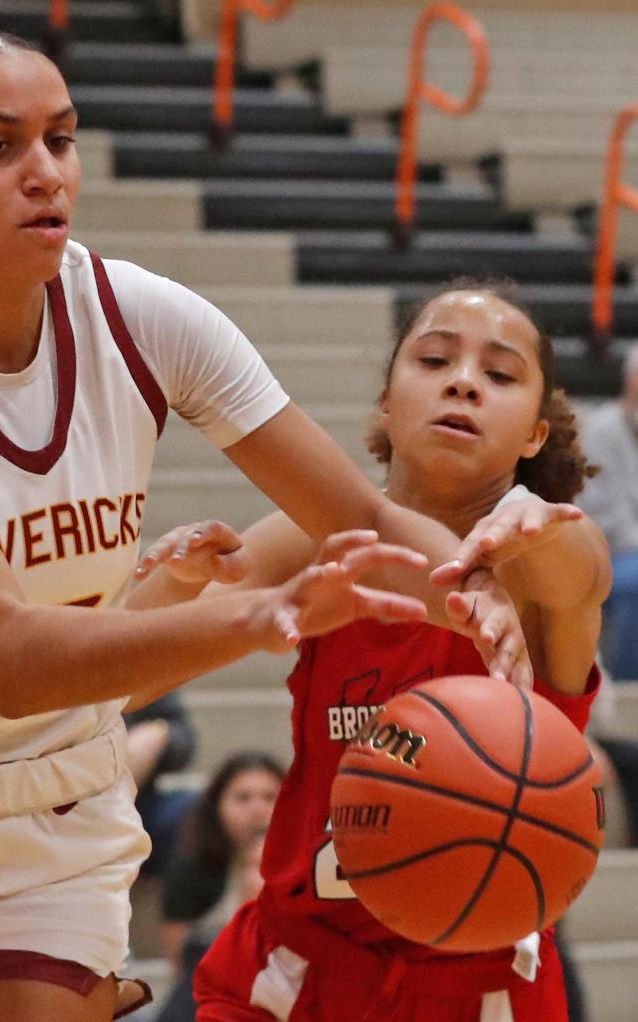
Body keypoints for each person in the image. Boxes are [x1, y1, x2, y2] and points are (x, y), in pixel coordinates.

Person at [0, 25, 533, 1022]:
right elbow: (5, 654)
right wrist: (264, 614)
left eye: (61, 138)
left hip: (44, 807)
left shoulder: (144, 316)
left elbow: (359, 512)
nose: (46, 172)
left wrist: (476, 602)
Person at [137, 281, 610, 1021]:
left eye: (500, 373)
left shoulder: (536, 561)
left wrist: (539, 528)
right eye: (434, 359)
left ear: (535, 436)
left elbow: (582, 570)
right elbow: (124, 679)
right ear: (387, 403)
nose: (463, 381)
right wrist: (174, 585)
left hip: (477, 991)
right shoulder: (325, 539)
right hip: (296, 971)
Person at [156, 753, 283, 1022]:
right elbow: (178, 957)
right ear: (217, 806)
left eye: (270, 797)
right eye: (243, 798)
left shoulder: (311, 863)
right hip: (210, 987)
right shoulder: (191, 866)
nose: (258, 809)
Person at [578, 343, 638, 680]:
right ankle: (630, 688)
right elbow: (604, 521)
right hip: (608, 554)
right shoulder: (602, 432)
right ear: (630, 383)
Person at [124, 691, 198, 878]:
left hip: (137, 801)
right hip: (59, 803)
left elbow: (184, 738)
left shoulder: (135, 665)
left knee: (202, 812)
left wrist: (160, 734)